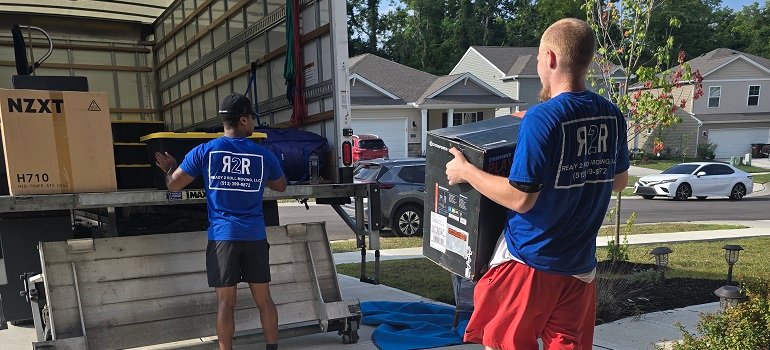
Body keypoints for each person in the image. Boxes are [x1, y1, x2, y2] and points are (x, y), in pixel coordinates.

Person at [445, 18, 629, 350]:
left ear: (551, 58)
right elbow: (618, 181)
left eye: (539, 57)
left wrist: (465, 172)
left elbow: (520, 199)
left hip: (530, 261)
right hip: (579, 266)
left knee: (504, 344)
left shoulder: (542, 119)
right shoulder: (611, 114)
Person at [155, 93, 287, 350]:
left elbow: (174, 186)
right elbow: (280, 186)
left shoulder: (204, 151)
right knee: (264, 299)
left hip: (222, 238)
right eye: (252, 120)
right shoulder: (263, 155)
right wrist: (259, 175)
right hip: (254, 236)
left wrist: (170, 168)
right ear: (243, 120)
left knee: (226, 304)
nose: (254, 125)